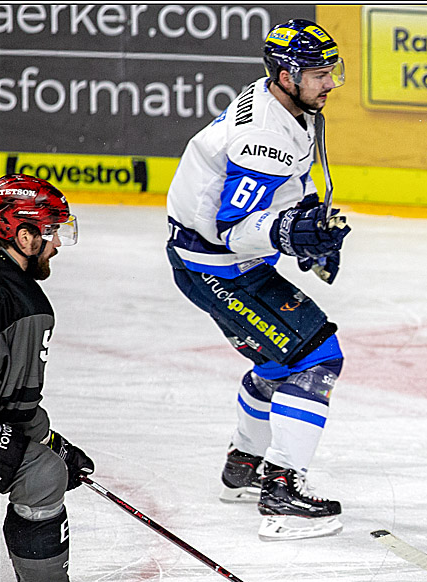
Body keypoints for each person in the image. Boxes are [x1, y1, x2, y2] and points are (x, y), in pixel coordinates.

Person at [165, 18, 351, 541]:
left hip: (211, 258)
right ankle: (283, 489)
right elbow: (229, 230)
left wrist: (308, 225)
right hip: (217, 264)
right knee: (316, 358)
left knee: (277, 360)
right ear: (286, 74)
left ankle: (243, 468)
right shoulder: (263, 135)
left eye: (331, 70)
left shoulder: (287, 106)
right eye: (318, 73)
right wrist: (292, 234)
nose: (330, 83)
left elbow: (285, 188)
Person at [0, 174, 103, 582]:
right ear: (23, 236)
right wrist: (50, 450)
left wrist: (50, 440)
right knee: (41, 474)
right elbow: (16, 407)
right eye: (51, 232)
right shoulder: (25, 304)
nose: (56, 244)